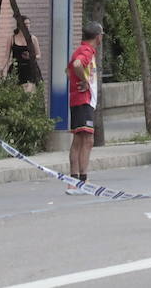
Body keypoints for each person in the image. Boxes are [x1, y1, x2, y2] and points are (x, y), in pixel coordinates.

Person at [66, 21, 103, 195]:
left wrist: (77, 80)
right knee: (86, 140)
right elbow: (76, 65)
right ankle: (79, 180)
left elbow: (68, 71)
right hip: (83, 100)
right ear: (98, 37)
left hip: (82, 100)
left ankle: (77, 180)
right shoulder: (86, 51)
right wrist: (84, 81)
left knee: (81, 139)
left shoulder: (81, 50)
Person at [6, 16, 43, 93]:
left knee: (29, 93)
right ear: (19, 25)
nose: (27, 26)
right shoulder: (12, 38)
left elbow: (39, 55)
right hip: (17, 69)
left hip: (30, 68)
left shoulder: (33, 38)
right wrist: (1, 68)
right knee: (15, 93)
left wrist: (31, 57)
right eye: (25, 24)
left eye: (29, 24)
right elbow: (6, 56)